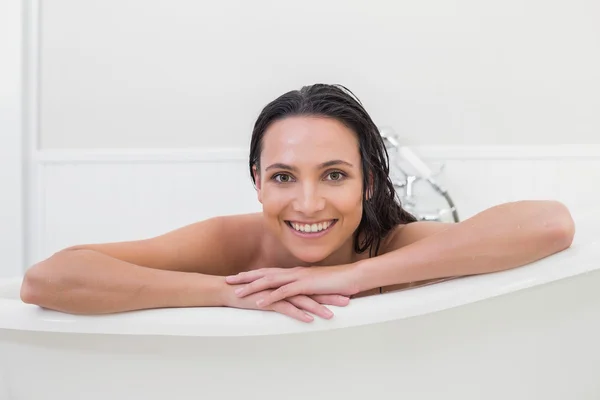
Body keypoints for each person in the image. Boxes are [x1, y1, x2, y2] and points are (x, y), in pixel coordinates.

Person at [20, 84, 576, 323]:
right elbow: (48, 280)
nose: (308, 204)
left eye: (334, 174)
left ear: (368, 183)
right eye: (284, 176)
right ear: (257, 180)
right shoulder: (230, 243)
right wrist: (228, 293)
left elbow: (550, 224)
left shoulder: (392, 245)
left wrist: (354, 278)